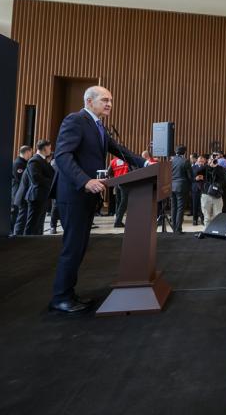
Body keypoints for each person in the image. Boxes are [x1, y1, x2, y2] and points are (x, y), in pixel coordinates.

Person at [50, 86, 145, 313]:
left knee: (80, 246)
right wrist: (84, 181)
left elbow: (118, 149)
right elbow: (62, 156)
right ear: (89, 101)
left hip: (87, 196)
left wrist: (145, 163)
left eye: (111, 100)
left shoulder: (98, 126)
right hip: (74, 194)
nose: (109, 104)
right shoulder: (75, 120)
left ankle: (68, 293)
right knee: (73, 247)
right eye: (105, 100)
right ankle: (60, 297)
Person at [21, 139, 55, 236]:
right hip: (36, 196)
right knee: (32, 224)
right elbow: (36, 179)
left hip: (43, 196)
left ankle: (37, 241)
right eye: (49, 148)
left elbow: (51, 174)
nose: (50, 150)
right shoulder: (34, 160)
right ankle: (26, 242)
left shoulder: (43, 160)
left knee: (39, 224)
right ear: (45, 148)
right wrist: (52, 182)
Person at [198, 156, 226, 226]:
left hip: (217, 195)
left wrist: (216, 168)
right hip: (206, 195)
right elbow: (198, 178)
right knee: (207, 217)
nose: (213, 161)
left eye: (215, 160)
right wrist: (209, 167)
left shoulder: (220, 169)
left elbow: (224, 180)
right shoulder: (204, 168)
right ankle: (207, 231)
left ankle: (216, 231)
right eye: (211, 159)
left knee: (218, 216)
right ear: (208, 160)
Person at [170, 145, 192, 234]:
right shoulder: (185, 161)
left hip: (172, 186)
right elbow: (190, 176)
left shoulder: (171, 161)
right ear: (184, 152)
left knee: (173, 207)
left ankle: (174, 228)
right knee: (180, 208)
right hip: (181, 187)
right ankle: (178, 229)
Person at [10, 145, 32, 235]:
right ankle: (12, 231)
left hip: (20, 192)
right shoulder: (18, 163)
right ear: (27, 152)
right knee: (15, 213)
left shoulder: (24, 162)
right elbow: (20, 179)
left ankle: (15, 231)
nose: (31, 154)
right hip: (17, 192)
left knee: (19, 214)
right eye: (30, 152)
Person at [108, 155, 130, 228]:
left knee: (118, 202)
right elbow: (132, 171)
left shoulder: (113, 161)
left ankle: (118, 221)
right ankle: (118, 221)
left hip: (117, 183)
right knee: (124, 202)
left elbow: (109, 173)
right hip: (125, 183)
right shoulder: (127, 160)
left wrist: (114, 180)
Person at [190, 153, 205, 225]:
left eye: (202, 161)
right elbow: (190, 178)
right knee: (195, 204)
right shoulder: (193, 167)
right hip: (195, 188)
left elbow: (210, 178)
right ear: (197, 161)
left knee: (203, 205)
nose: (200, 162)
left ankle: (202, 219)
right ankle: (194, 219)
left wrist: (204, 178)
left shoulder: (206, 168)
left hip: (203, 188)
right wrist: (195, 179)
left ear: (204, 161)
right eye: (199, 161)